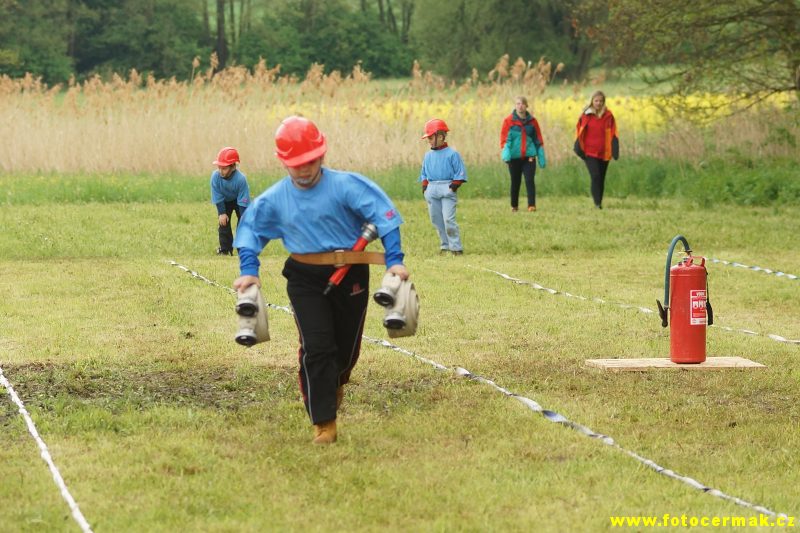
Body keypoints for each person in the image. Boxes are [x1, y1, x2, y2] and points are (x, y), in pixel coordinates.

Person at [232, 116, 410, 445]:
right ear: (283, 162)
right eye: (296, 164)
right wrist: (249, 269)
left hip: (351, 273)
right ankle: (323, 422)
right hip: (305, 278)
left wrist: (395, 261)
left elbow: (384, 215)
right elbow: (250, 232)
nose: (304, 169)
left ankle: (336, 381)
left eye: (310, 161)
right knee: (316, 347)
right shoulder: (274, 199)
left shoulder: (347, 186)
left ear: (322, 154)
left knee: (346, 351)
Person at [418, 118, 467, 255]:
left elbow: (460, 172)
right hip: (432, 188)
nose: (428, 141)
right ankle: (444, 245)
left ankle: (456, 247)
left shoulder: (452, 154)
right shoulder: (428, 156)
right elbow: (424, 173)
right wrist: (425, 186)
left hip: (447, 188)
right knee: (436, 219)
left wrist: (454, 186)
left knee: (448, 219)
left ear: (440, 137)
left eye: (430, 137)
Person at [500, 96, 546, 212]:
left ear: (526, 106)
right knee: (515, 181)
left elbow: (538, 139)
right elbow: (504, 140)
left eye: (522, 104)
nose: (520, 106)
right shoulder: (508, 121)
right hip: (513, 158)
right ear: (515, 106)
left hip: (529, 157)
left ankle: (531, 205)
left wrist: (541, 156)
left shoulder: (533, 122)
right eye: (517, 104)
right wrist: (506, 154)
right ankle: (514, 206)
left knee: (530, 180)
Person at [574, 90, 619, 209]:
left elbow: (614, 132)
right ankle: (597, 203)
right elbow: (579, 130)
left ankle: (599, 201)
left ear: (604, 102)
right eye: (596, 101)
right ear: (592, 101)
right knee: (595, 176)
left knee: (601, 178)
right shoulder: (586, 115)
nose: (598, 103)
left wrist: (615, 146)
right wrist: (578, 147)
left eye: (601, 101)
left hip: (604, 152)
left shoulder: (609, 116)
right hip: (589, 152)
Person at [210, 147, 251, 255]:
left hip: (239, 201)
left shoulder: (241, 179)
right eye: (219, 167)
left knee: (243, 224)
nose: (220, 171)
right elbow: (217, 196)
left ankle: (242, 249)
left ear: (233, 167)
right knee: (223, 224)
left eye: (224, 168)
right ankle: (225, 249)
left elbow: (243, 199)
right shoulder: (215, 177)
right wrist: (222, 213)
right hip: (224, 201)